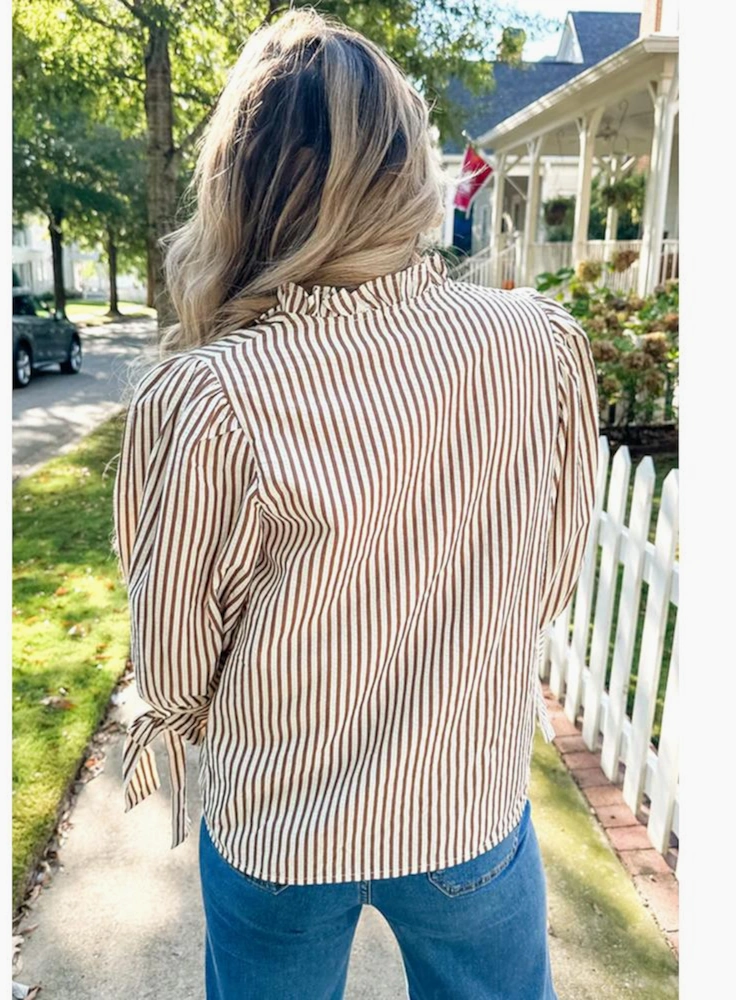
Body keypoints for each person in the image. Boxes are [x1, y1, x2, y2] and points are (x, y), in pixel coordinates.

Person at [112, 9, 600, 1000]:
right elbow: (549, 574)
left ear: (241, 183)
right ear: (405, 165)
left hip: (278, 823)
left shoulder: (210, 394)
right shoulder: (534, 343)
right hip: (465, 800)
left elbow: (171, 663)